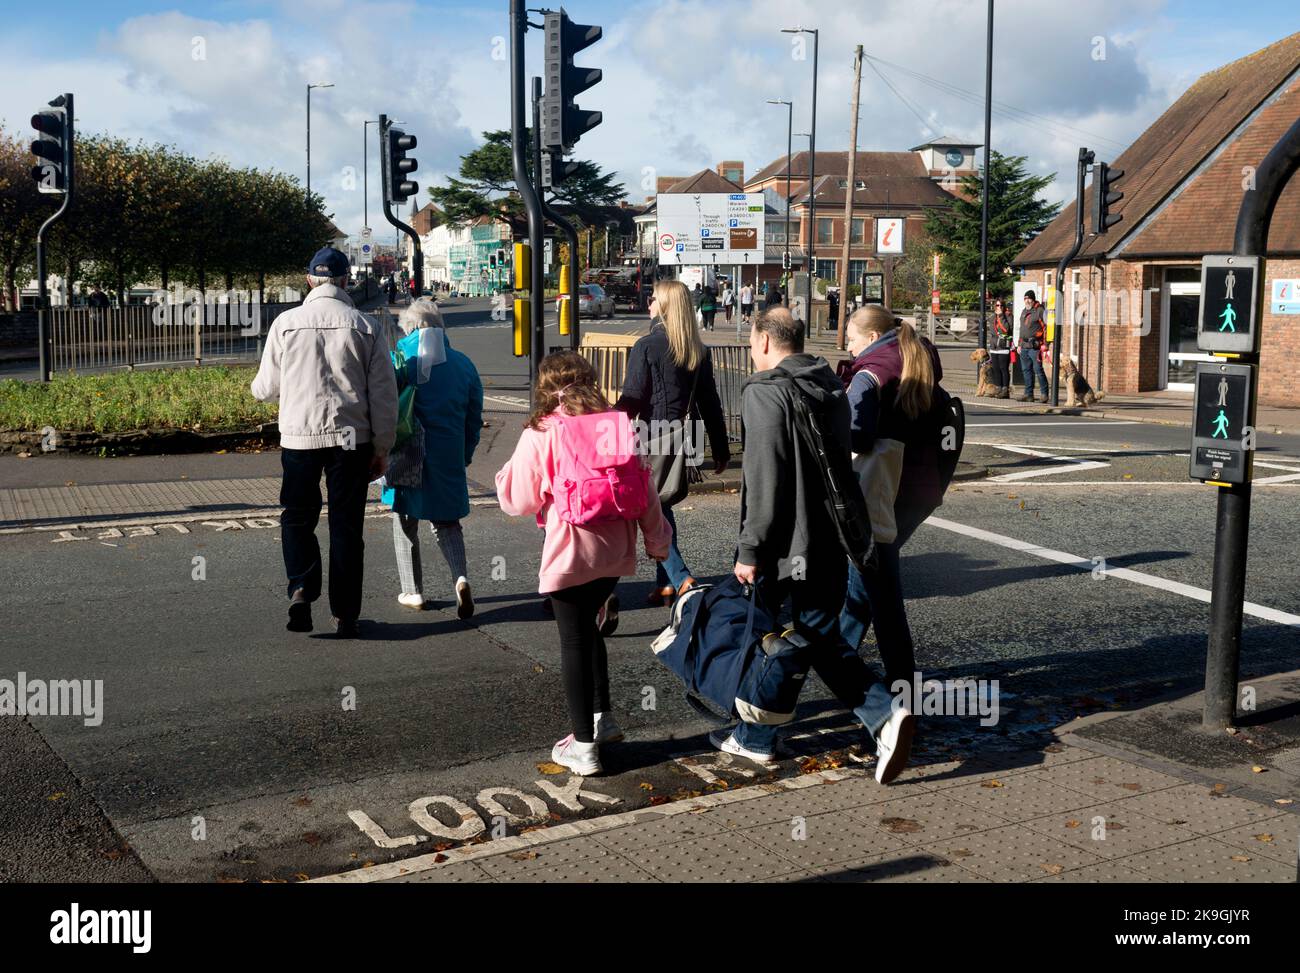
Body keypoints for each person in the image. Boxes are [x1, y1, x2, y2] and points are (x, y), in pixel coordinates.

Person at [715, 306, 915, 784]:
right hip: (830, 538)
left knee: (766, 638)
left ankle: (759, 737)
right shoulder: (830, 384)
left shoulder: (766, 392)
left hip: (784, 545)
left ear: (765, 341)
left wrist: (750, 549)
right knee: (816, 637)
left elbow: (765, 478)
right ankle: (880, 716)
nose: (751, 349)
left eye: (751, 341)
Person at [496, 352, 672, 776]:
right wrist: (658, 540)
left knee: (573, 640)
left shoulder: (543, 431)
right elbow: (645, 487)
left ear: (545, 388)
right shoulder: (616, 424)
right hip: (615, 551)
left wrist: (505, 476)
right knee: (589, 631)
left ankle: (583, 746)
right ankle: (602, 718)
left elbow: (518, 500)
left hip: (571, 551)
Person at [250, 247, 398, 638]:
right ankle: (346, 613)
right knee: (346, 525)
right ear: (346, 280)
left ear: (309, 280)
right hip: (352, 438)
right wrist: (382, 447)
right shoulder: (367, 327)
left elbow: (265, 388)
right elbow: (384, 395)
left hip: (299, 436)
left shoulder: (286, 324)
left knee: (297, 516)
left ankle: (301, 587)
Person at [838, 305, 942, 691]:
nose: (848, 348)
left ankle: (901, 684)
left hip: (878, 491)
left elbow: (858, 436)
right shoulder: (917, 355)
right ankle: (839, 660)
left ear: (870, 337)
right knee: (868, 583)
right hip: (918, 488)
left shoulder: (870, 373)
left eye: (851, 339)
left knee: (881, 593)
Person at [616, 279, 731, 610]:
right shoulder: (698, 350)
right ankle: (665, 584)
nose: (648, 303)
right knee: (661, 506)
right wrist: (720, 448)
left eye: (653, 298)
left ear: (664, 305)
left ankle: (681, 579)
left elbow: (633, 399)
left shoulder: (647, 346)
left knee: (652, 511)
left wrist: (600, 425)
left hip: (654, 437)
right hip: (685, 438)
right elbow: (710, 402)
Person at [382, 299, 483, 618]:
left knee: (404, 518)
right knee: (447, 523)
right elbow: (473, 418)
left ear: (410, 329)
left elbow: (383, 404)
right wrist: (465, 453)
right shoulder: (464, 364)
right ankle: (460, 578)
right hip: (448, 452)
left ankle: (413, 590)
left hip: (407, 452)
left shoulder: (401, 359)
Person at [1017, 290, 1050, 402]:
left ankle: (1044, 394)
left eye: (1029, 298)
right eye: (1025, 298)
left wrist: (1045, 344)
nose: (1027, 301)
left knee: (1038, 370)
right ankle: (1028, 394)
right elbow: (1022, 329)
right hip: (1024, 346)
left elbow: (1046, 327)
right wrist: (1019, 344)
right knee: (1026, 370)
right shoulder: (1024, 311)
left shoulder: (1040, 310)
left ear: (1033, 299)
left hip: (1035, 346)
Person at [988, 299, 1013, 398]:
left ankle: (1005, 390)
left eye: (1001, 305)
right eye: (997, 305)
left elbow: (1006, 329)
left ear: (1004, 306)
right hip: (994, 346)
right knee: (996, 368)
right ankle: (998, 388)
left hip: (1003, 345)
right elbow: (992, 331)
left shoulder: (1008, 316)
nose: (999, 307)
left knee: (1003, 368)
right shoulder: (992, 317)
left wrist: (1001, 316)